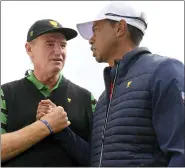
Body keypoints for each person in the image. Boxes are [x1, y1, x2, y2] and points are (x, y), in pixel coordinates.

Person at [76, 2, 185, 167]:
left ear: (120, 28)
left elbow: (180, 152)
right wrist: (59, 130)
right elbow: (96, 159)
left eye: (96, 30)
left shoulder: (164, 72)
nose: (91, 39)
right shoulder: (104, 98)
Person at [1, 19, 96, 167]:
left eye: (63, 45)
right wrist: (47, 125)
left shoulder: (86, 99)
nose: (59, 51)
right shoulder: (5, 94)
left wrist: (63, 131)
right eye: (50, 44)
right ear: (29, 49)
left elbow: (99, 158)